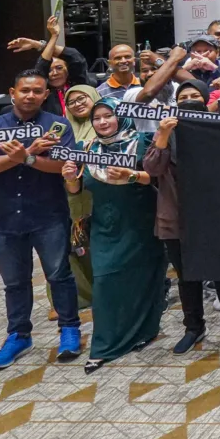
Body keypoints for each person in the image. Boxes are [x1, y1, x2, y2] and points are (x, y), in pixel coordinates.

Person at [0, 69, 81, 369]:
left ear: (45, 95)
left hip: (49, 216)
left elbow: (62, 166)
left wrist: (27, 158)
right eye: (25, 90)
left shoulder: (57, 125)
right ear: (12, 93)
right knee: (15, 283)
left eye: (37, 91)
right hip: (5, 219)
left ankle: (70, 329)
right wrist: (23, 154)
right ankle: (18, 336)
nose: (30, 95)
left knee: (59, 276)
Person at [60, 99, 166, 372]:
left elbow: (159, 177)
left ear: (121, 117)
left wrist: (132, 175)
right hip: (105, 226)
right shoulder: (87, 148)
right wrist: (70, 178)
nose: (103, 122)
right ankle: (104, 347)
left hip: (142, 223)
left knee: (142, 279)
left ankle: (145, 331)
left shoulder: (143, 142)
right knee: (105, 283)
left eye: (108, 115)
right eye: (97, 118)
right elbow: (77, 189)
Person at [143, 79, 220, 353]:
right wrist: (163, 135)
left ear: (206, 100)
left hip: (215, 215)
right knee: (187, 276)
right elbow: (152, 168)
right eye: (182, 97)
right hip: (176, 216)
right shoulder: (165, 132)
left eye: (195, 96)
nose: (188, 100)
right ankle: (194, 327)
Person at [60, 84, 102, 307]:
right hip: (72, 194)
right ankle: (82, 296)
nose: (77, 104)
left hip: (102, 194)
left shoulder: (107, 122)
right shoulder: (62, 130)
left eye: (82, 98)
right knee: (76, 244)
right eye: (71, 102)